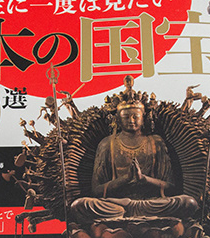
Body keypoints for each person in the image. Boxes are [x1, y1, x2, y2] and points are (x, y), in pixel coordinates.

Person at [70, 86, 198, 221]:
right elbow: (96, 190)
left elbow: (170, 187)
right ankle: (134, 216)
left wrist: (144, 179)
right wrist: (125, 179)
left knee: (188, 202)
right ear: (117, 119)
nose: (131, 121)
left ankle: (125, 217)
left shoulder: (156, 142)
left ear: (144, 118)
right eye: (126, 117)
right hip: (117, 203)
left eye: (135, 116)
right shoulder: (107, 144)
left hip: (151, 203)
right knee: (80, 205)